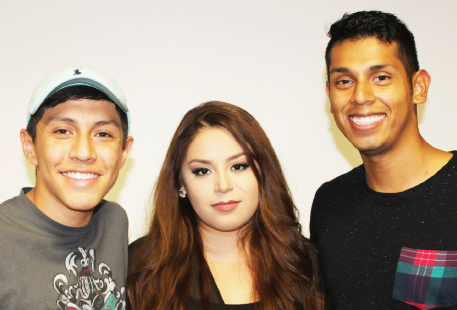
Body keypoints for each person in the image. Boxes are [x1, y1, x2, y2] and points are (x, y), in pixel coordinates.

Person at [310, 10, 457, 309]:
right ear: (329, 94)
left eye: (381, 77)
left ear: (418, 87)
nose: (360, 96)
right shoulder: (329, 203)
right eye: (344, 81)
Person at [128, 101, 326, 310]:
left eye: (238, 166)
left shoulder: (304, 262)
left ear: (264, 174)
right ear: (181, 183)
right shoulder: (142, 266)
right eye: (202, 171)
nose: (223, 185)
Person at [0, 66, 134, 309]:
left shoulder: (114, 222)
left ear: (124, 152)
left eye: (103, 134)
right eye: (63, 131)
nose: (83, 152)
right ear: (30, 146)